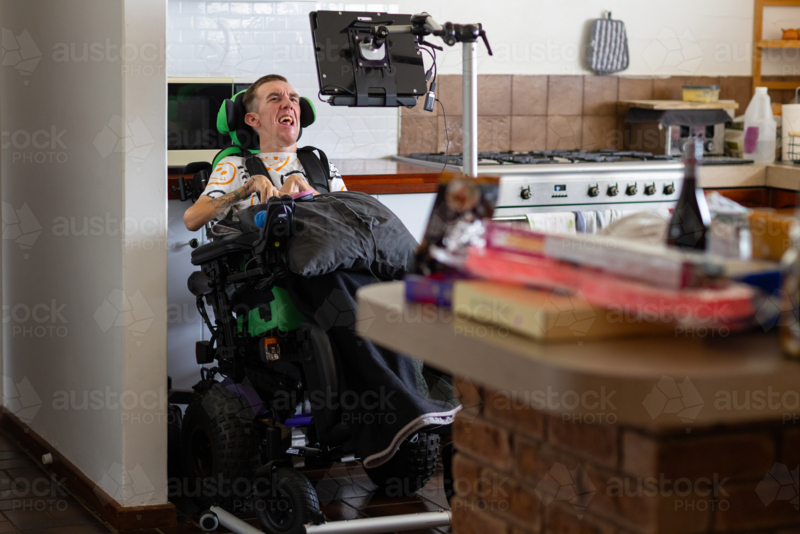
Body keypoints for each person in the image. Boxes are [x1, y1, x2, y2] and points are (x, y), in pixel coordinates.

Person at [183, 74, 346, 231]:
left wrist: (305, 188)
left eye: (293, 99)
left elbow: (350, 220)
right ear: (253, 119)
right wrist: (246, 189)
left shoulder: (321, 165)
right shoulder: (233, 166)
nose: (288, 104)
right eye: (275, 98)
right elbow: (192, 220)